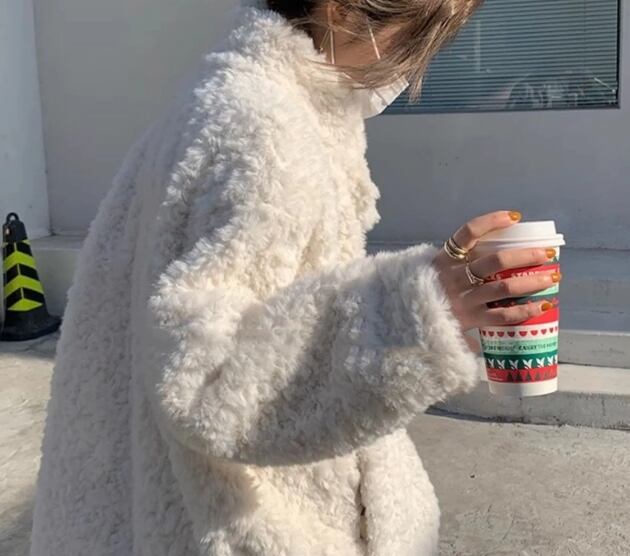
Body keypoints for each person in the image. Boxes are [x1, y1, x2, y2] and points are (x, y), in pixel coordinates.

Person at [29, 1, 561, 555]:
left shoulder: (227, 98)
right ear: (341, 9)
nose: (413, 66)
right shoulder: (262, 125)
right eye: (415, 36)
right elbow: (206, 378)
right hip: (249, 520)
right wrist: (414, 310)